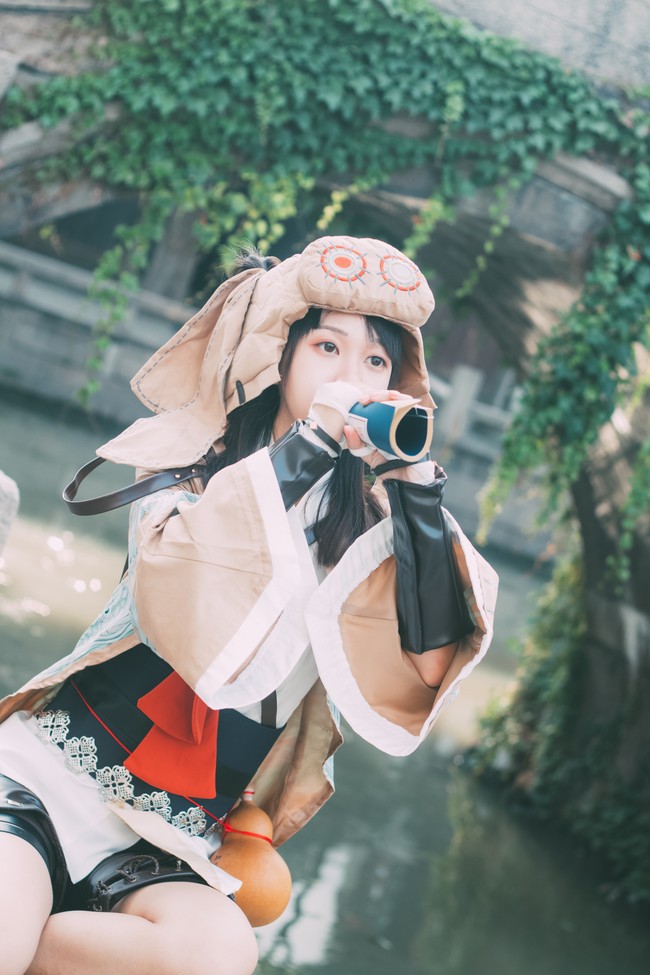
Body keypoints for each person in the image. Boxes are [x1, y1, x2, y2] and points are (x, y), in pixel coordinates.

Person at [0, 235, 498, 975]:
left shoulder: (367, 537)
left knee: (220, 955)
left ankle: (33, 927)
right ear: (281, 353)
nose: (352, 375)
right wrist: (314, 441)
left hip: (169, 840)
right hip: (53, 782)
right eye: (328, 347)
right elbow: (183, 590)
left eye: (375, 361)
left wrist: (415, 490)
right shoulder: (188, 462)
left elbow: (429, 665)